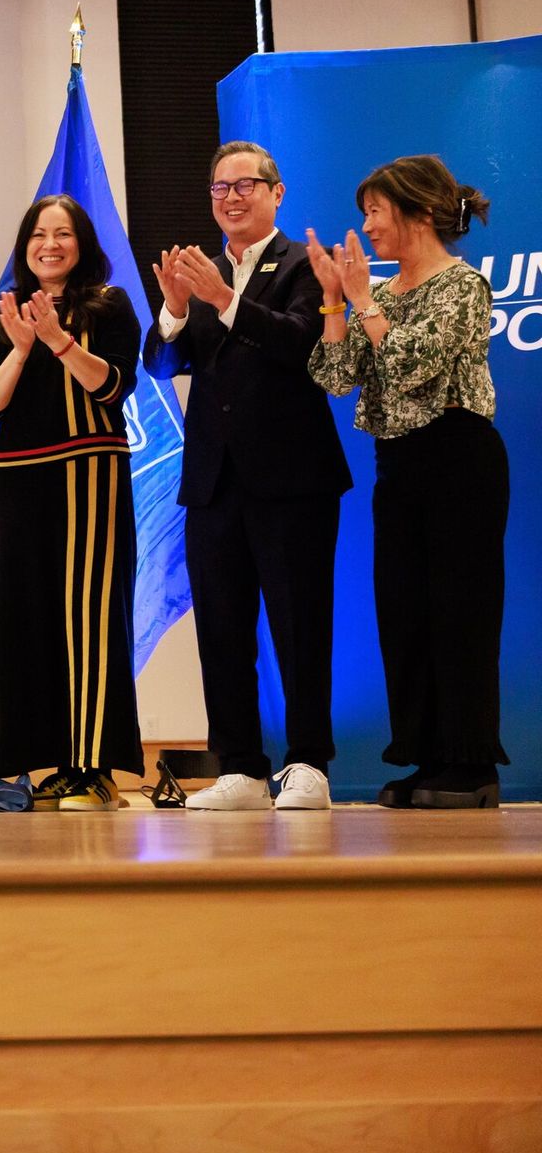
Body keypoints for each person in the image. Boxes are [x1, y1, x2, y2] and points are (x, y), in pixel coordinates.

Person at [145, 143, 351, 812]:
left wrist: (222, 298)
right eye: (220, 188)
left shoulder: (305, 264)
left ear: (276, 192)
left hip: (293, 477)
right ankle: (240, 766)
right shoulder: (202, 273)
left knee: (300, 623)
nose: (231, 198)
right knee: (222, 630)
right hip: (213, 480)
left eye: (245, 185)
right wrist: (176, 309)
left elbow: (302, 345)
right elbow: (161, 366)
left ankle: (309, 762)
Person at [308, 155, 506, 808]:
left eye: (375, 211)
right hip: (398, 464)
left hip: (460, 456)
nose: (366, 226)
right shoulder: (383, 294)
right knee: (405, 612)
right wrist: (334, 299)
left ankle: (472, 766)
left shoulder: (463, 285)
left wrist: (363, 300)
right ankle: (428, 756)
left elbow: (412, 366)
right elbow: (336, 376)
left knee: (460, 611)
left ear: (419, 212)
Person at [0, 194, 143, 811]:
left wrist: (59, 342)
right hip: (21, 480)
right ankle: (32, 765)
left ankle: (94, 771)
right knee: (22, 618)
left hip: (89, 474)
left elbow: (113, 387)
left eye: (63, 233)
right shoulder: (7, 314)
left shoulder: (111, 304)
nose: (50, 244)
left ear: (83, 243)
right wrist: (22, 347)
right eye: (39, 234)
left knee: (89, 619)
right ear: (25, 246)